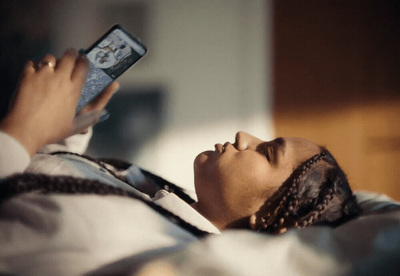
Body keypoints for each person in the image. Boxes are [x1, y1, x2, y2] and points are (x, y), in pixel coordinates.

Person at [0, 49, 360, 236]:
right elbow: (43, 187)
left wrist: (23, 130)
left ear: (267, 218)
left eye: (268, 153)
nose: (243, 137)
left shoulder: (119, 236)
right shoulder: (166, 202)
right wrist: (67, 133)